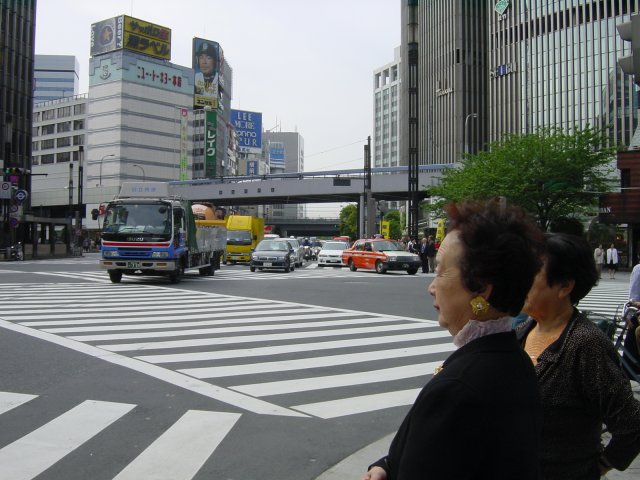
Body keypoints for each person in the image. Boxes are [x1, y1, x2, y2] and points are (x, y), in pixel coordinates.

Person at [363, 201, 544, 480]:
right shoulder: (514, 357)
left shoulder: (458, 389)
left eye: (441, 272)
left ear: (481, 288)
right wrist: (387, 465)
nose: (431, 287)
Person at [516, 233, 640, 480]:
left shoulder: (586, 344)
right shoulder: (522, 331)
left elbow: (632, 425)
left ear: (565, 286)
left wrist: (599, 467)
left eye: (531, 273)